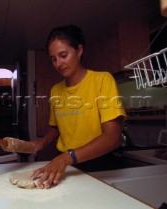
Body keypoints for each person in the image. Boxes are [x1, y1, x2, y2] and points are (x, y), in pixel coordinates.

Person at [28, 24, 126, 188]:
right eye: (53, 59)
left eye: (63, 55)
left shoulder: (102, 80)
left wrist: (66, 158)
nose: (58, 63)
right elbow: (57, 127)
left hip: (99, 164)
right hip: (67, 165)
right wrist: (41, 143)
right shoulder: (55, 90)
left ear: (79, 51)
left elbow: (113, 137)